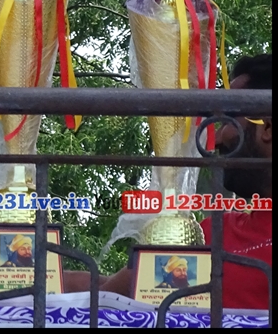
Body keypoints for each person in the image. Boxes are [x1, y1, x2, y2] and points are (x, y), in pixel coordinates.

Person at [64, 54, 272, 310]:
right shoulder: (209, 233)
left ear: (267, 128)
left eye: (229, 118)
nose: (216, 140)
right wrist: (38, 278)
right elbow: (108, 293)